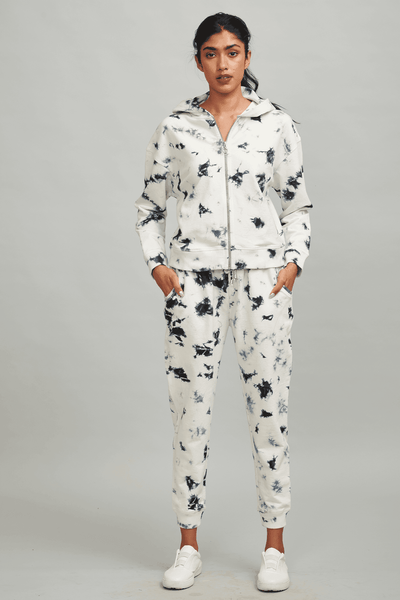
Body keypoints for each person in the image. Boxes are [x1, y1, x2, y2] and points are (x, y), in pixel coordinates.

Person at [135, 12, 312, 593]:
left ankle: (274, 547)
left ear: (247, 57)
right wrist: (159, 266)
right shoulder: (175, 127)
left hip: (263, 283)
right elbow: (149, 206)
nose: (223, 64)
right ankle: (188, 546)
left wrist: (291, 265)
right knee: (190, 413)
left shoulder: (276, 124)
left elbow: (297, 205)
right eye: (211, 53)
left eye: (232, 52)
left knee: (270, 411)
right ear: (198, 61)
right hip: (193, 285)